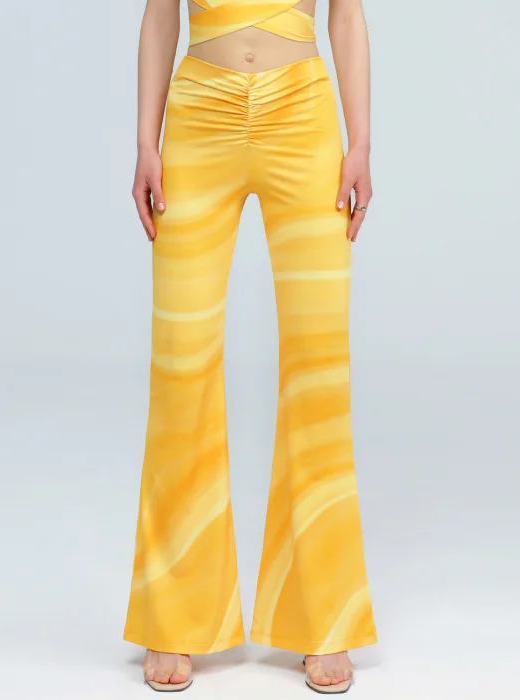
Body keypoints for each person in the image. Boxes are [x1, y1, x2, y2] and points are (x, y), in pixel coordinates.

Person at [125, 0, 377, 692]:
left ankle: (324, 618)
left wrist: (359, 141)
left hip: (303, 116)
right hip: (198, 116)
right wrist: (146, 142)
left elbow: (347, 15)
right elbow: (160, 14)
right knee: (181, 364)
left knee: (318, 369)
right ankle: (173, 616)